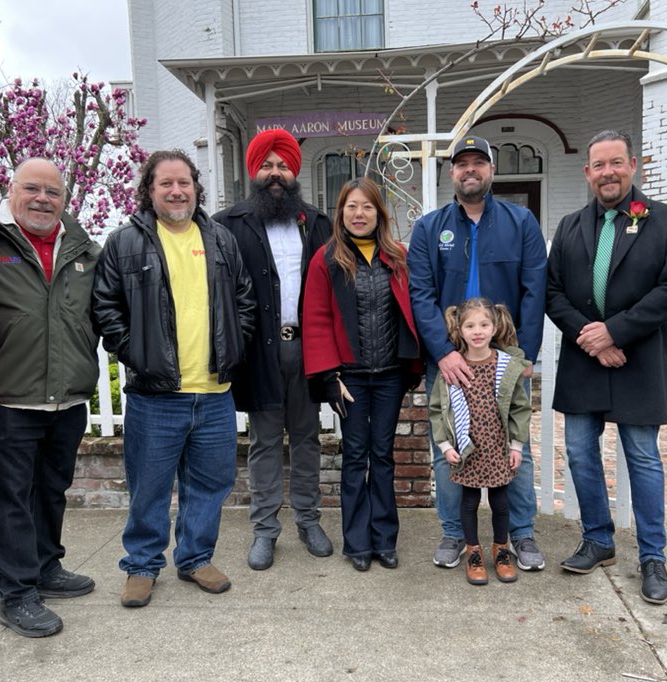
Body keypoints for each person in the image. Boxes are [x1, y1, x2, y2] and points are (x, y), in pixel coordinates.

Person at [92, 150, 255, 608]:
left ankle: (195, 558)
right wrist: (134, 352)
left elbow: (244, 300)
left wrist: (235, 345)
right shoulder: (125, 242)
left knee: (211, 483)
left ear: (196, 187)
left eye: (183, 182)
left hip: (215, 393)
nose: (176, 190)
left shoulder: (220, 239)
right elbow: (105, 306)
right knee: (150, 485)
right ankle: (142, 566)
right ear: (149, 190)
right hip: (156, 395)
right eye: (166, 183)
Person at [546, 129, 667, 605]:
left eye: (615, 163)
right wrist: (593, 339)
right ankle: (598, 540)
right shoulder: (569, 227)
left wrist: (616, 331)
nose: (607, 173)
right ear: (587, 173)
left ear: (633, 166)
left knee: (643, 458)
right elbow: (552, 293)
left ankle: (653, 557)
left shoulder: (664, 221)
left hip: (638, 358)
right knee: (580, 453)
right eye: (598, 165)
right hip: (585, 359)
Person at [0, 158, 101, 638]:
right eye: (33, 189)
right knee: (8, 500)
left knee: (50, 489)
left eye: (54, 193)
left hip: (67, 399)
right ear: (11, 191)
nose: (43, 200)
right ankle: (16, 593)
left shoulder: (83, 248)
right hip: (9, 398)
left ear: (65, 200)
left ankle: (46, 566)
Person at [407, 134, 547, 572]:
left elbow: (534, 290)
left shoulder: (520, 222)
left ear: (491, 171)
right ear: (452, 173)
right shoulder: (430, 228)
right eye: (462, 163)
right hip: (449, 360)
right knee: (447, 446)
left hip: (503, 358)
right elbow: (421, 295)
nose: (470, 170)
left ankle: (520, 535)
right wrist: (442, 352)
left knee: (513, 442)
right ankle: (454, 534)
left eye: (478, 163)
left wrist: (524, 355)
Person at [213, 129, 334, 571]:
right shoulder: (227, 225)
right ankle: (265, 529)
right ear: (254, 171)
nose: (276, 173)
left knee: (306, 438)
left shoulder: (318, 222)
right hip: (259, 352)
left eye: (283, 165)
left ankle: (308, 520)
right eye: (267, 165)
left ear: (294, 172)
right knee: (265, 441)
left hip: (307, 349)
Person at [302, 178, 421, 572]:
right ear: (341, 213)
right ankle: (356, 543)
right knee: (355, 456)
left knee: (383, 456)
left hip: (389, 375)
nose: (359, 214)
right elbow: (316, 318)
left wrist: (412, 362)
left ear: (379, 214)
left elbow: (413, 310)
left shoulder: (398, 257)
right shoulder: (327, 259)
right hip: (348, 378)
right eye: (351, 206)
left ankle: (385, 540)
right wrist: (328, 376)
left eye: (367, 207)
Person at [429, 298, 531, 586]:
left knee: (500, 501)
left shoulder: (507, 366)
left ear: (495, 326)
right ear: (459, 330)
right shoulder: (452, 368)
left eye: (484, 324)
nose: (477, 331)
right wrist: (446, 447)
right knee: (469, 502)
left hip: (498, 447)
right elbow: (438, 410)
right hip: (467, 450)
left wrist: (517, 446)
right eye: (470, 325)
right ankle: (473, 551)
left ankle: (501, 549)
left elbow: (520, 409)